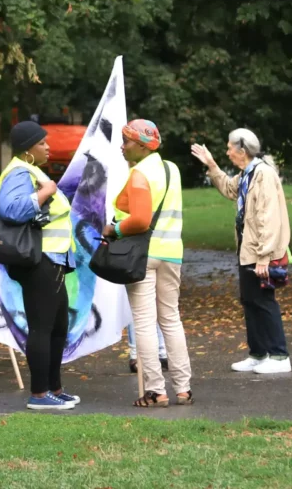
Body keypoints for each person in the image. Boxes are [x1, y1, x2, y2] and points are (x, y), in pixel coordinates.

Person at [192, 129, 292, 376]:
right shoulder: (248, 173)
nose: (227, 151)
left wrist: (264, 256)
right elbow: (229, 189)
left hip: (260, 253)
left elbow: (267, 217)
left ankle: (280, 356)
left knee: (264, 302)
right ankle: (258, 354)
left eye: (229, 147)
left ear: (242, 150)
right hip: (246, 249)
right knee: (250, 301)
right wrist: (212, 165)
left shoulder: (263, 175)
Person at [0, 121, 80, 410]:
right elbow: (11, 209)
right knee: (42, 328)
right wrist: (46, 191)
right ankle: (40, 394)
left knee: (57, 328)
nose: (48, 146)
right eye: (42, 142)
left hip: (54, 260)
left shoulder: (32, 171)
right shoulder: (19, 172)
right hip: (40, 261)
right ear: (28, 149)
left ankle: (54, 388)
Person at [107, 119, 192, 407]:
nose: (122, 146)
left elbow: (141, 220)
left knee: (143, 322)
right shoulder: (172, 169)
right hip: (172, 252)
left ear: (142, 146)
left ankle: (156, 390)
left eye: (127, 141)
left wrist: (115, 229)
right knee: (171, 319)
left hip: (143, 255)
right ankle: (184, 388)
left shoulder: (140, 173)